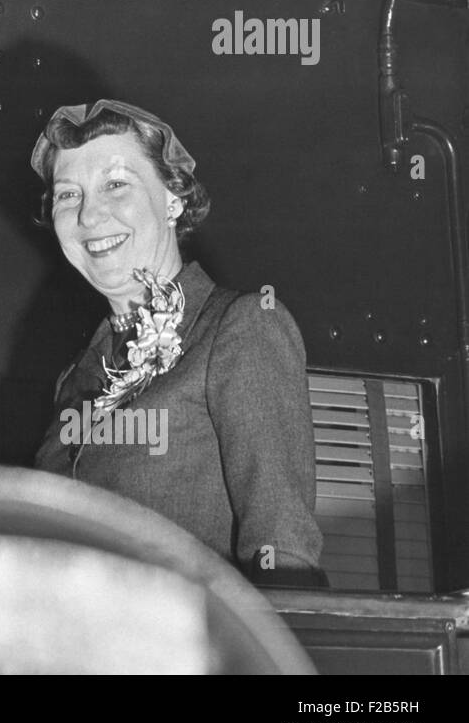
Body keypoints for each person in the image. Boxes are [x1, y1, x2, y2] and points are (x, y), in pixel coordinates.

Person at [29, 99, 325, 586]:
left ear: (173, 198)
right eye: (67, 195)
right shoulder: (77, 374)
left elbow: (285, 555)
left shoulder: (241, 327)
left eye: (116, 184)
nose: (90, 215)